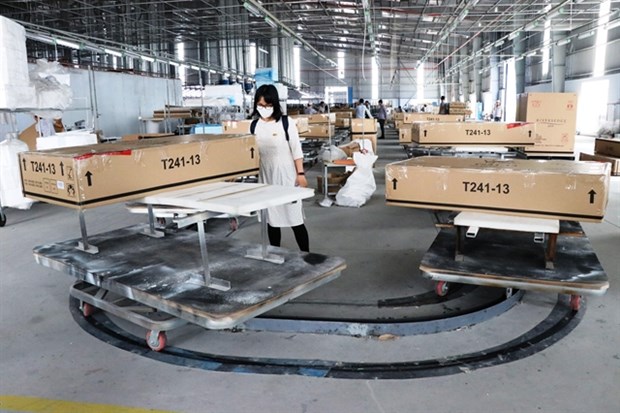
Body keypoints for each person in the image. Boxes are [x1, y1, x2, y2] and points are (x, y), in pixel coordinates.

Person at [252, 84, 310, 252]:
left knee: (295, 219)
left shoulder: (285, 123)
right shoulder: (254, 125)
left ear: (275, 104)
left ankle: (306, 254)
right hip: (266, 179)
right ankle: (274, 253)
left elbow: (296, 149)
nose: (264, 109)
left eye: (268, 105)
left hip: (287, 177)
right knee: (272, 219)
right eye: (261, 105)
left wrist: (300, 173)